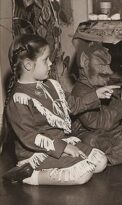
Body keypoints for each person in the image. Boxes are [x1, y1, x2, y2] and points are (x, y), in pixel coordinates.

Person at [2, 34, 115, 185]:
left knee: (100, 161)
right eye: (45, 60)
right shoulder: (19, 100)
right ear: (28, 65)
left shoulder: (51, 85)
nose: (50, 63)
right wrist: (64, 148)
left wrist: (96, 95)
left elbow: (72, 105)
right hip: (37, 153)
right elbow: (31, 138)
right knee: (84, 174)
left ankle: (55, 168)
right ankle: (30, 175)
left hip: (60, 142)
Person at [71, 41, 122, 166]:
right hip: (87, 133)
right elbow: (99, 123)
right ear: (85, 64)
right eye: (102, 68)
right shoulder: (80, 91)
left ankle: (108, 157)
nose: (108, 75)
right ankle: (114, 156)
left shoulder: (101, 84)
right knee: (92, 141)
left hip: (108, 133)